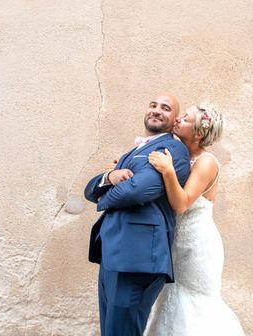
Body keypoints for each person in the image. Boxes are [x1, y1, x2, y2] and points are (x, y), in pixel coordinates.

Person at [84, 93, 191, 336]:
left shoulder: (173, 149)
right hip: (113, 255)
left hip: (138, 258)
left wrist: (103, 198)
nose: (156, 110)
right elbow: (89, 189)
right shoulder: (132, 152)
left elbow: (136, 191)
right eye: (152, 105)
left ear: (174, 120)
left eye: (165, 108)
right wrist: (110, 177)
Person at [144, 102, 245, 336]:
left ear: (198, 133)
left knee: (193, 301)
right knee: (171, 299)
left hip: (197, 246)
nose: (177, 119)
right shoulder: (179, 156)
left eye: (185, 119)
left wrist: (168, 171)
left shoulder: (206, 162)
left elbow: (181, 204)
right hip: (175, 244)